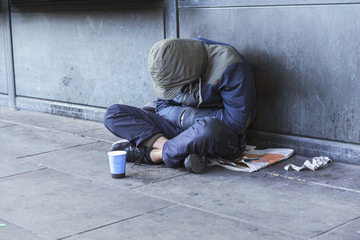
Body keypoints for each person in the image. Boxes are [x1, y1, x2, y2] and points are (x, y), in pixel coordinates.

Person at [104, 38, 256, 173]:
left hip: (217, 136)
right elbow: (162, 106)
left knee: (209, 128)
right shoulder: (169, 61)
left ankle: (152, 155)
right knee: (113, 113)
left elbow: (236, 123)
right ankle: (178, 150)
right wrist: (182, 121)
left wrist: (185, 117)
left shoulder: (230, 65)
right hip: (178, 127)